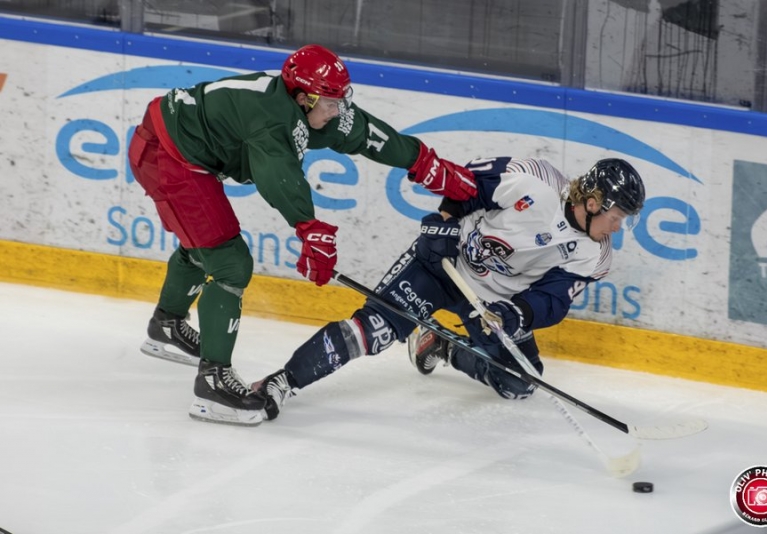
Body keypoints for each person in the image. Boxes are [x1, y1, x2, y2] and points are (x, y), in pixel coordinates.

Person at [127, 44, 477, 427]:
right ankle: (212, 384)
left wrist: (421, 161)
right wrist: (310, 229)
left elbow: (363, 131)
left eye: (339, 100)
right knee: (229, 261)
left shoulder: (308, 109)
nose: (337, 110)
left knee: (204, 246)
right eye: (329, 103)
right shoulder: (273, 120)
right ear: (303, 97)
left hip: (180, 147)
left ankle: (166, 326)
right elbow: (278, 176)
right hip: (167, 155)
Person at [252, 156, 646, 420]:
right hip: (442, 265)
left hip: (493, 304)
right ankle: (282, 381)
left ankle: (442, 345)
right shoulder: (533, 181)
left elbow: (553, 298)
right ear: (592, 203)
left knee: (520, 381)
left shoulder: (595, 256)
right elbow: (467, 186)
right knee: (372, 331)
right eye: (617, 216)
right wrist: (443, 222)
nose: (619, 226)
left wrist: (516, 315)